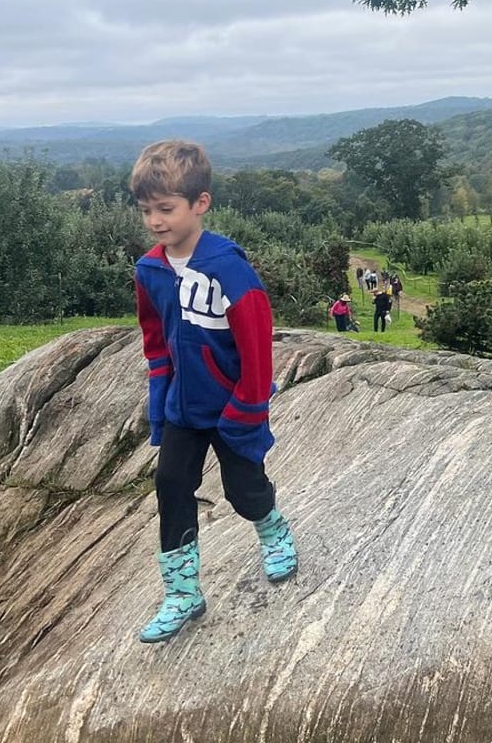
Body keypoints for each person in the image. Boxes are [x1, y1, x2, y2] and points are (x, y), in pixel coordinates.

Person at [131, 139, 298, 645]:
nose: (156, 221)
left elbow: (256, 343)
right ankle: (183, 593)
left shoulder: (228, 269)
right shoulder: (150, 269)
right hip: (184, 405)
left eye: (166, 209)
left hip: (231, 404)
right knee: (171, 486)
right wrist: (161, 394)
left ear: (199, 203)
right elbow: (154, 337)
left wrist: (249, 406)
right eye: (147, 211)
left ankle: (272, 529)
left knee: (242, 487)